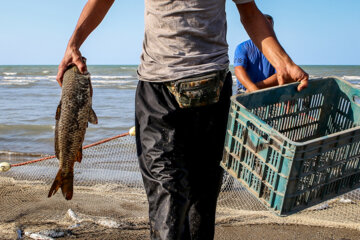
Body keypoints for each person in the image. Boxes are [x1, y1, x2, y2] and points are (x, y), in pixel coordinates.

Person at [56, 0, 308, 239]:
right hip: (159, 92)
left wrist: (283, 63)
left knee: (203, 196)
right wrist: (74, 43)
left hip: (213, 90)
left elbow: (250, 12)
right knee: (168, 196)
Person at [234, 14, 280, 94]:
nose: (268, 30)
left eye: (270, 27)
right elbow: (239, 70)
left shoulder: (276, 50)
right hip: (244, 92)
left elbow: (279, 75)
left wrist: (256, 87)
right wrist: (251, 88)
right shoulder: (242, 47)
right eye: (265, 26)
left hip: (265, 91)